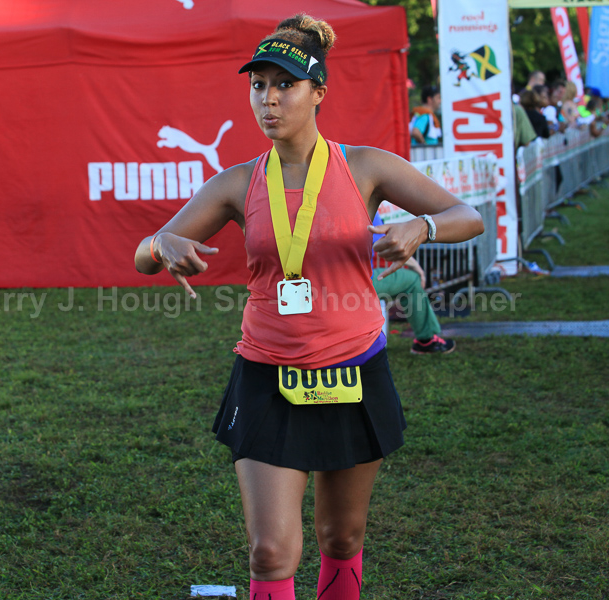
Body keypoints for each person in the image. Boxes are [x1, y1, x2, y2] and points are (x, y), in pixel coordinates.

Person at [134, 15, 483, 600]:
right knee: (270, 551)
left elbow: (466, 216)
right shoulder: (237, 182)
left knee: (341, 537)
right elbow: (144, 255)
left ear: (318, 92)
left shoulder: (364, 167)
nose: (268, 99)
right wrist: (160, 243)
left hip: (353, 370)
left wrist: (421, 227)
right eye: (258, 85)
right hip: (266, 372)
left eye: (285, 85)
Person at [370, 213, 455, 355]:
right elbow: (386, 243)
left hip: (332, 284)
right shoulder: (361, 204)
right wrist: (416, 267)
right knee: (413, 280)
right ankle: (426, 340)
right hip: (353, 282)